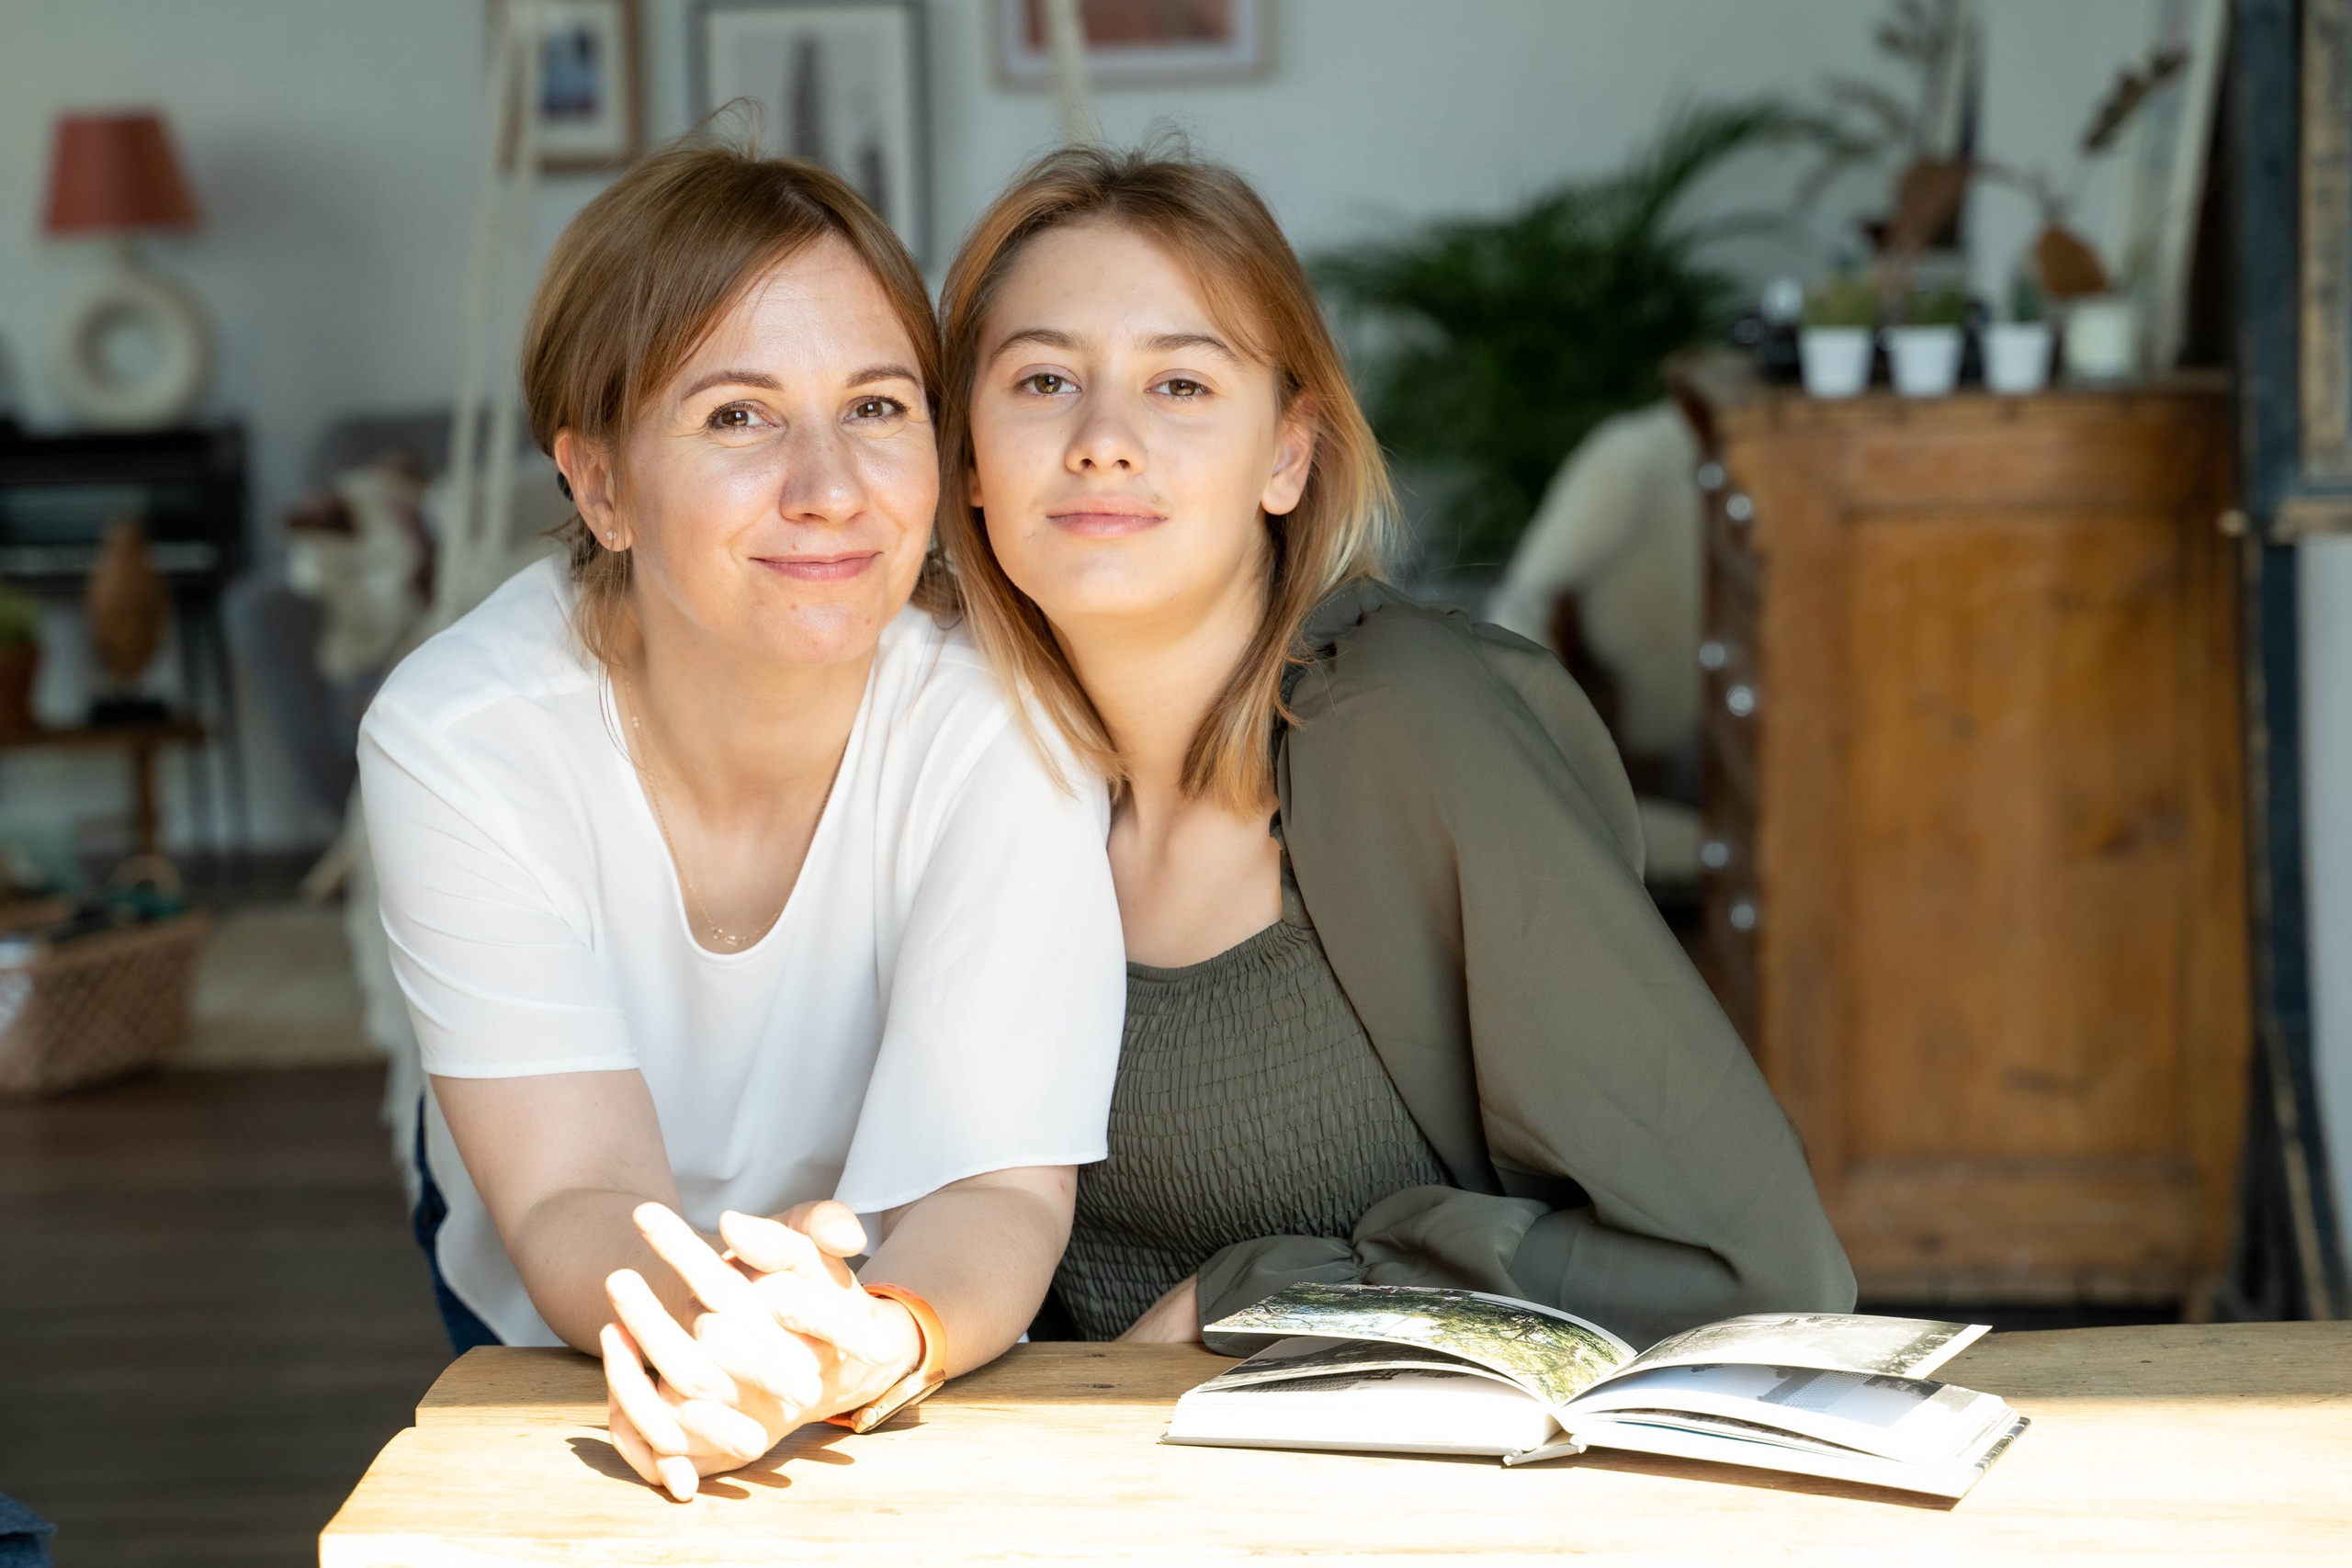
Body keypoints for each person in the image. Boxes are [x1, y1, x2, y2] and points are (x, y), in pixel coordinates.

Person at [933, 144, 1856, 1350]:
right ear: (967, 459)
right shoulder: (970, 766)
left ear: (1287, 453)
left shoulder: (1403, 722)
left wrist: (1266, 1296)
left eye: (1183, 387)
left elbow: (1758, 1269)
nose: (1104, 438)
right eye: (1045, 381)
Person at [356, 140, 1124, 1497]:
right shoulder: (461, 738)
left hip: (890, 1307)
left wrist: (866, 1347)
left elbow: (996, 1191)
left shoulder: (1007, 733)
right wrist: (721, 1351)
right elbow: (566, 1191)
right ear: (598, 487)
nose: (831, 487)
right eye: (737, 418)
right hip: (558, 1295)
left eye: (879, 407)